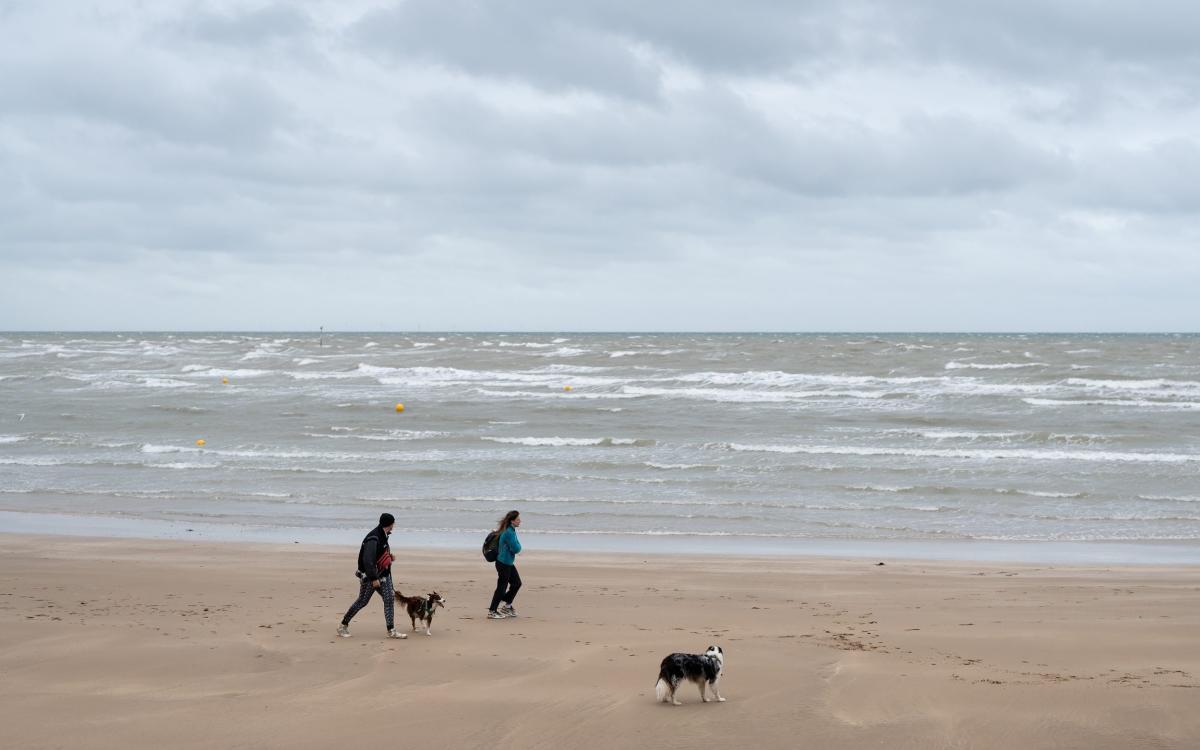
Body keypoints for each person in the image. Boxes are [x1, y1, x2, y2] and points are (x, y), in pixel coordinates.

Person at [337, 513, 406, 639]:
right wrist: (374, 579)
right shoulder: (373, 537)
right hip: (370, 577)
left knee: (389, 598)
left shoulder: (383, 535)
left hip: (383, 576)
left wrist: (389, 557)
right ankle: (343, 626)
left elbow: (378, 554)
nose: (394, 526)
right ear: (389, 524)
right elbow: (368, 560)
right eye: (393, 523)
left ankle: (391, 630)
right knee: (362, 601)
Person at [487, 510, 523, 619]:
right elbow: (517, 548)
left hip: (507, 563)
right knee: (501, 588)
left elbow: (514, 547)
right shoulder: (509, 532)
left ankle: (507, 606)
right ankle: (492, 611)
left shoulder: (510, 530)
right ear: (512, 521)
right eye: (518, 519)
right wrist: (518, 546)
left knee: (517, 583)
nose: (520, 521)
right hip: (503, 563)